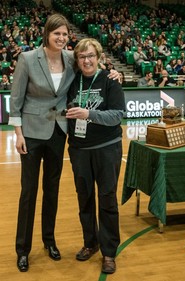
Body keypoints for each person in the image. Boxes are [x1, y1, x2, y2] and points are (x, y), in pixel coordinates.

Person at [8, 13, 120, 273]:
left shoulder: (71, 58)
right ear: (46, 33)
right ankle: (22, 249)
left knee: (52, 190)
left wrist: (113, 73)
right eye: (56, 33)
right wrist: (18, 132)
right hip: (33, 133)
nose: (61, 38)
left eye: (64, 34)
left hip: (59, 132)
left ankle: (49, 241)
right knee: (29, 192)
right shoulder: (27, 59)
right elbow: (15, 99)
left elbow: (93, 62)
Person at [65, 38, 125, 275]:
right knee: (85, 198)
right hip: (79, 150)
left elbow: (116, 116)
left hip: (107, 148)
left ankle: (109, 252)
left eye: (90, 56)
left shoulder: (110, 81)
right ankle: (91, 242)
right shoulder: (72, 81)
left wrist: (88, 113)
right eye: (82, 57)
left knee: (108, 199)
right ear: (77, 60)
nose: (86, 60)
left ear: (98, 57)